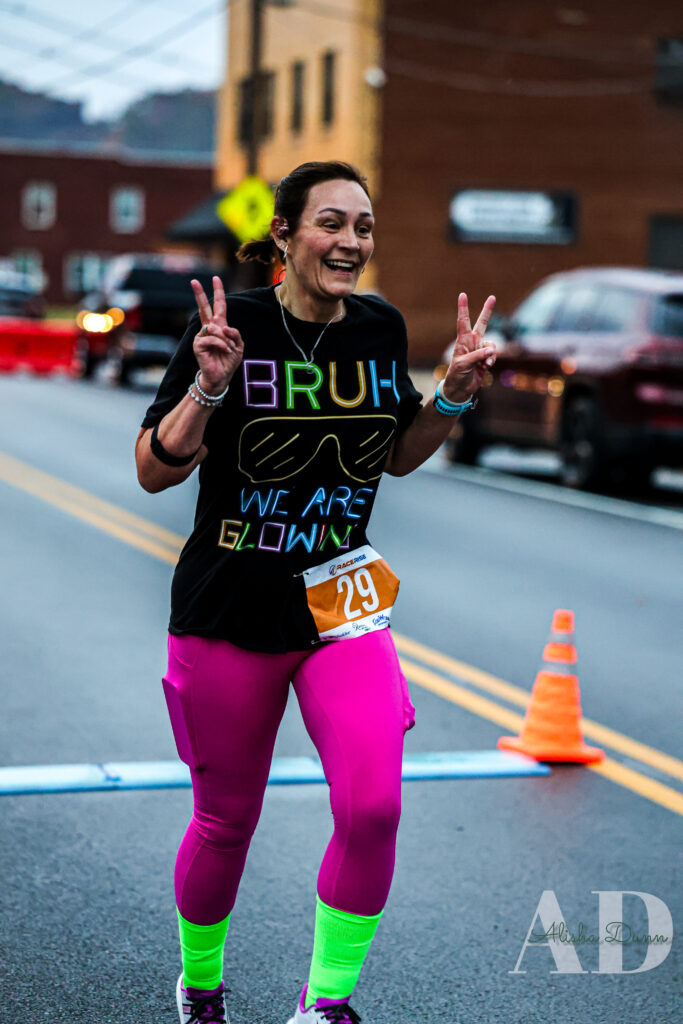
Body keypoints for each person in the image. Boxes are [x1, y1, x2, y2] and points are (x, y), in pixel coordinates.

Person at [135, 160, 496, 1024]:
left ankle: (323, 1004)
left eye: (363, 227)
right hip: (229, 610)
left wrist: (449, 392)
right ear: (285, 235)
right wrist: (208, 385)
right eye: (331, 222)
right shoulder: (230, 326)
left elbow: (397, 456)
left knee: (371, 808)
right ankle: (199, 985)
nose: (350, 242)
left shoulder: (377, 328)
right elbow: (153, 469)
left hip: (339, 608)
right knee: (227, 823)